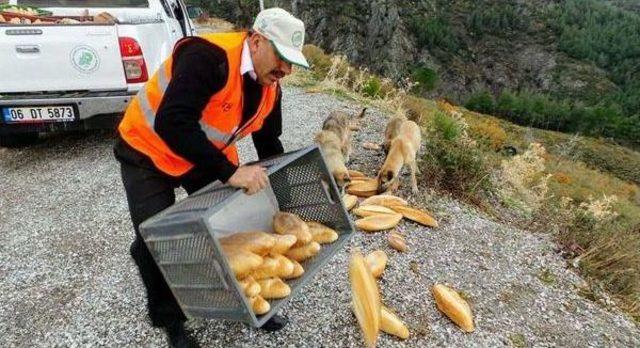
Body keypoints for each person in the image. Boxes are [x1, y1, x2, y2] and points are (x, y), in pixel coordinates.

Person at [113, 8, 309, 348]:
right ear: (257, 40)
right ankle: (170, 322)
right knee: (157, 240)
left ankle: (250, 300)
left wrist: (284, 195)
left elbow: (269, 143)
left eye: (292, 63)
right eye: (281, 58)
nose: (286, 71)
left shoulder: (270, 85)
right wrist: (231, 172)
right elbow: (171, 122)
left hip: (198, 153)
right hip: (146, 150)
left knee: (230, 224)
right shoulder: (207, 58)